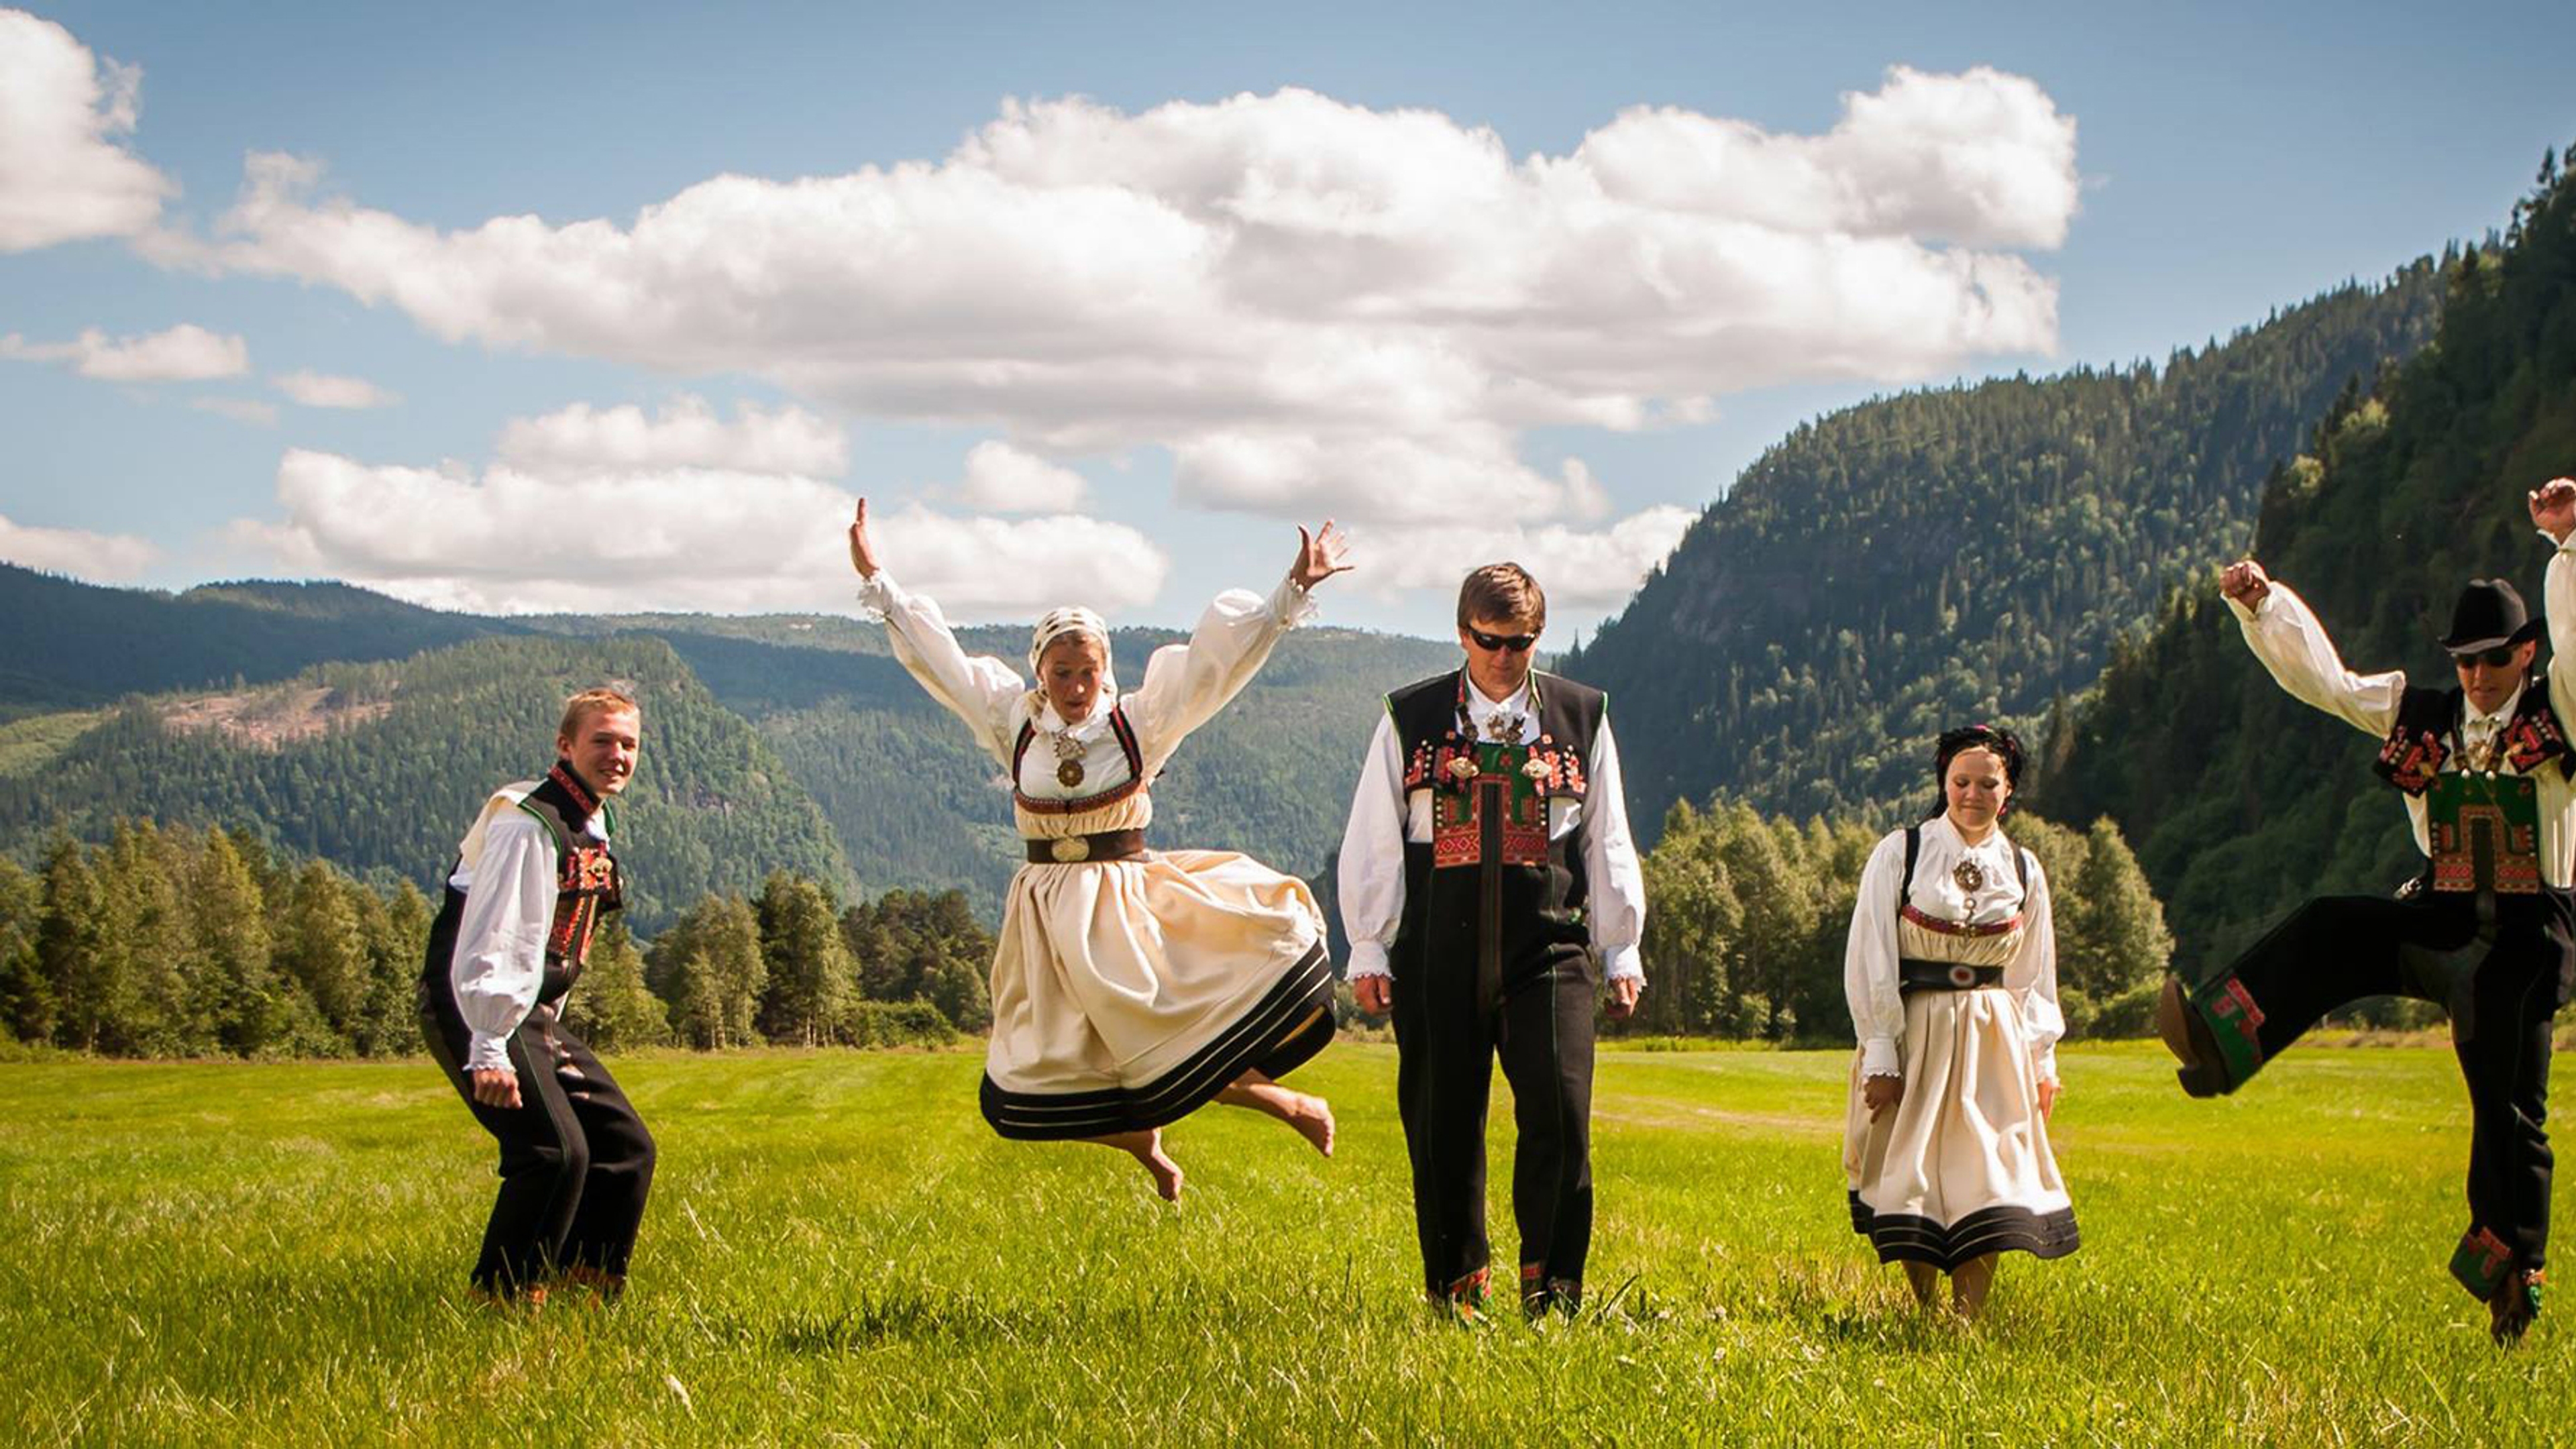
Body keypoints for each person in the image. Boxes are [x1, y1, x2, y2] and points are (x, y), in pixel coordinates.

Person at [2159, 477, 2576, 1344]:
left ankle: (2514, 1272)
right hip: (2446, 917)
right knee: (2333, 927)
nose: (2479, 676)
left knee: (2507, 1104)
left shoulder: (2562, 711)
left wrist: (2568, 546)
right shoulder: (2417, 713)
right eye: (2465, 660)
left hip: (2536, 930)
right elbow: (2328, 682)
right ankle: (2219, 1042)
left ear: (2528, 654)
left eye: (2494, 659)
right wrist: (2264, 605)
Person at [846, 498, 1347, 1201]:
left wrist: (1290, 592)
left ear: (1104, 667)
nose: (1077, 687)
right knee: (1026, 1084)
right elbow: (944, 664)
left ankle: (1290, 1104)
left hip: (1123, 903)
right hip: (1046, 916)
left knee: (1168, 1039)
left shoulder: (1139, 721)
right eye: (1062, 673)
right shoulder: (1012, 722)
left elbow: (1217, 669)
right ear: (1040, 671)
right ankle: (1145, 1142)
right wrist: (880, 583)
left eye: (1087, 672)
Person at [1338, 561, 1647, 1323]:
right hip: (1437, 948)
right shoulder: (1409, 718)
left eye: (1523, 642)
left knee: (1563, 1117)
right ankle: (1456, 1297)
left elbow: (1607, 837)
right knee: (1443, 1123)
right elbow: (1375, 837)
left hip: (1549, 946)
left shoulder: (1582, 714)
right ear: (1462, 632)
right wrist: (1370, 945)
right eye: (1491, 642)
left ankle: (1552, 1298)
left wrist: (1622, 946)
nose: (1507, 658)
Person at [419, 687, 655, 1305]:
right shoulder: (530, 821)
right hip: (478, 1008)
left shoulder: (590, 820)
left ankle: (584, 1299)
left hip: (533, 1014)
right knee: (552, 1153)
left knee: (624, 1150)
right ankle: (502, 1300)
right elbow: (500, 932)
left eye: (628, 744)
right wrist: (490, 1043)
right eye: (602, 741)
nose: (617, 755)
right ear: (566, 745)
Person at [1842, 724, 2076, 1318]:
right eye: (1961, 781)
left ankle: (1968, 1318)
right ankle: (1925, 1311)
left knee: (1990, 1174)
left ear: (2009, 790)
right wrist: (1880, 1052)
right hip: (1916, 1032)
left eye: (1987, 783)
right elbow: (1871, 953)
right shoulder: (1904, 851)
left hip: (1994, 1040)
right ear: (1944, 783)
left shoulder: (2023, 869)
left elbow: (2033, 974)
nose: (1972, 794)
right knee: (1910, 1171)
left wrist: (2042, 1060)